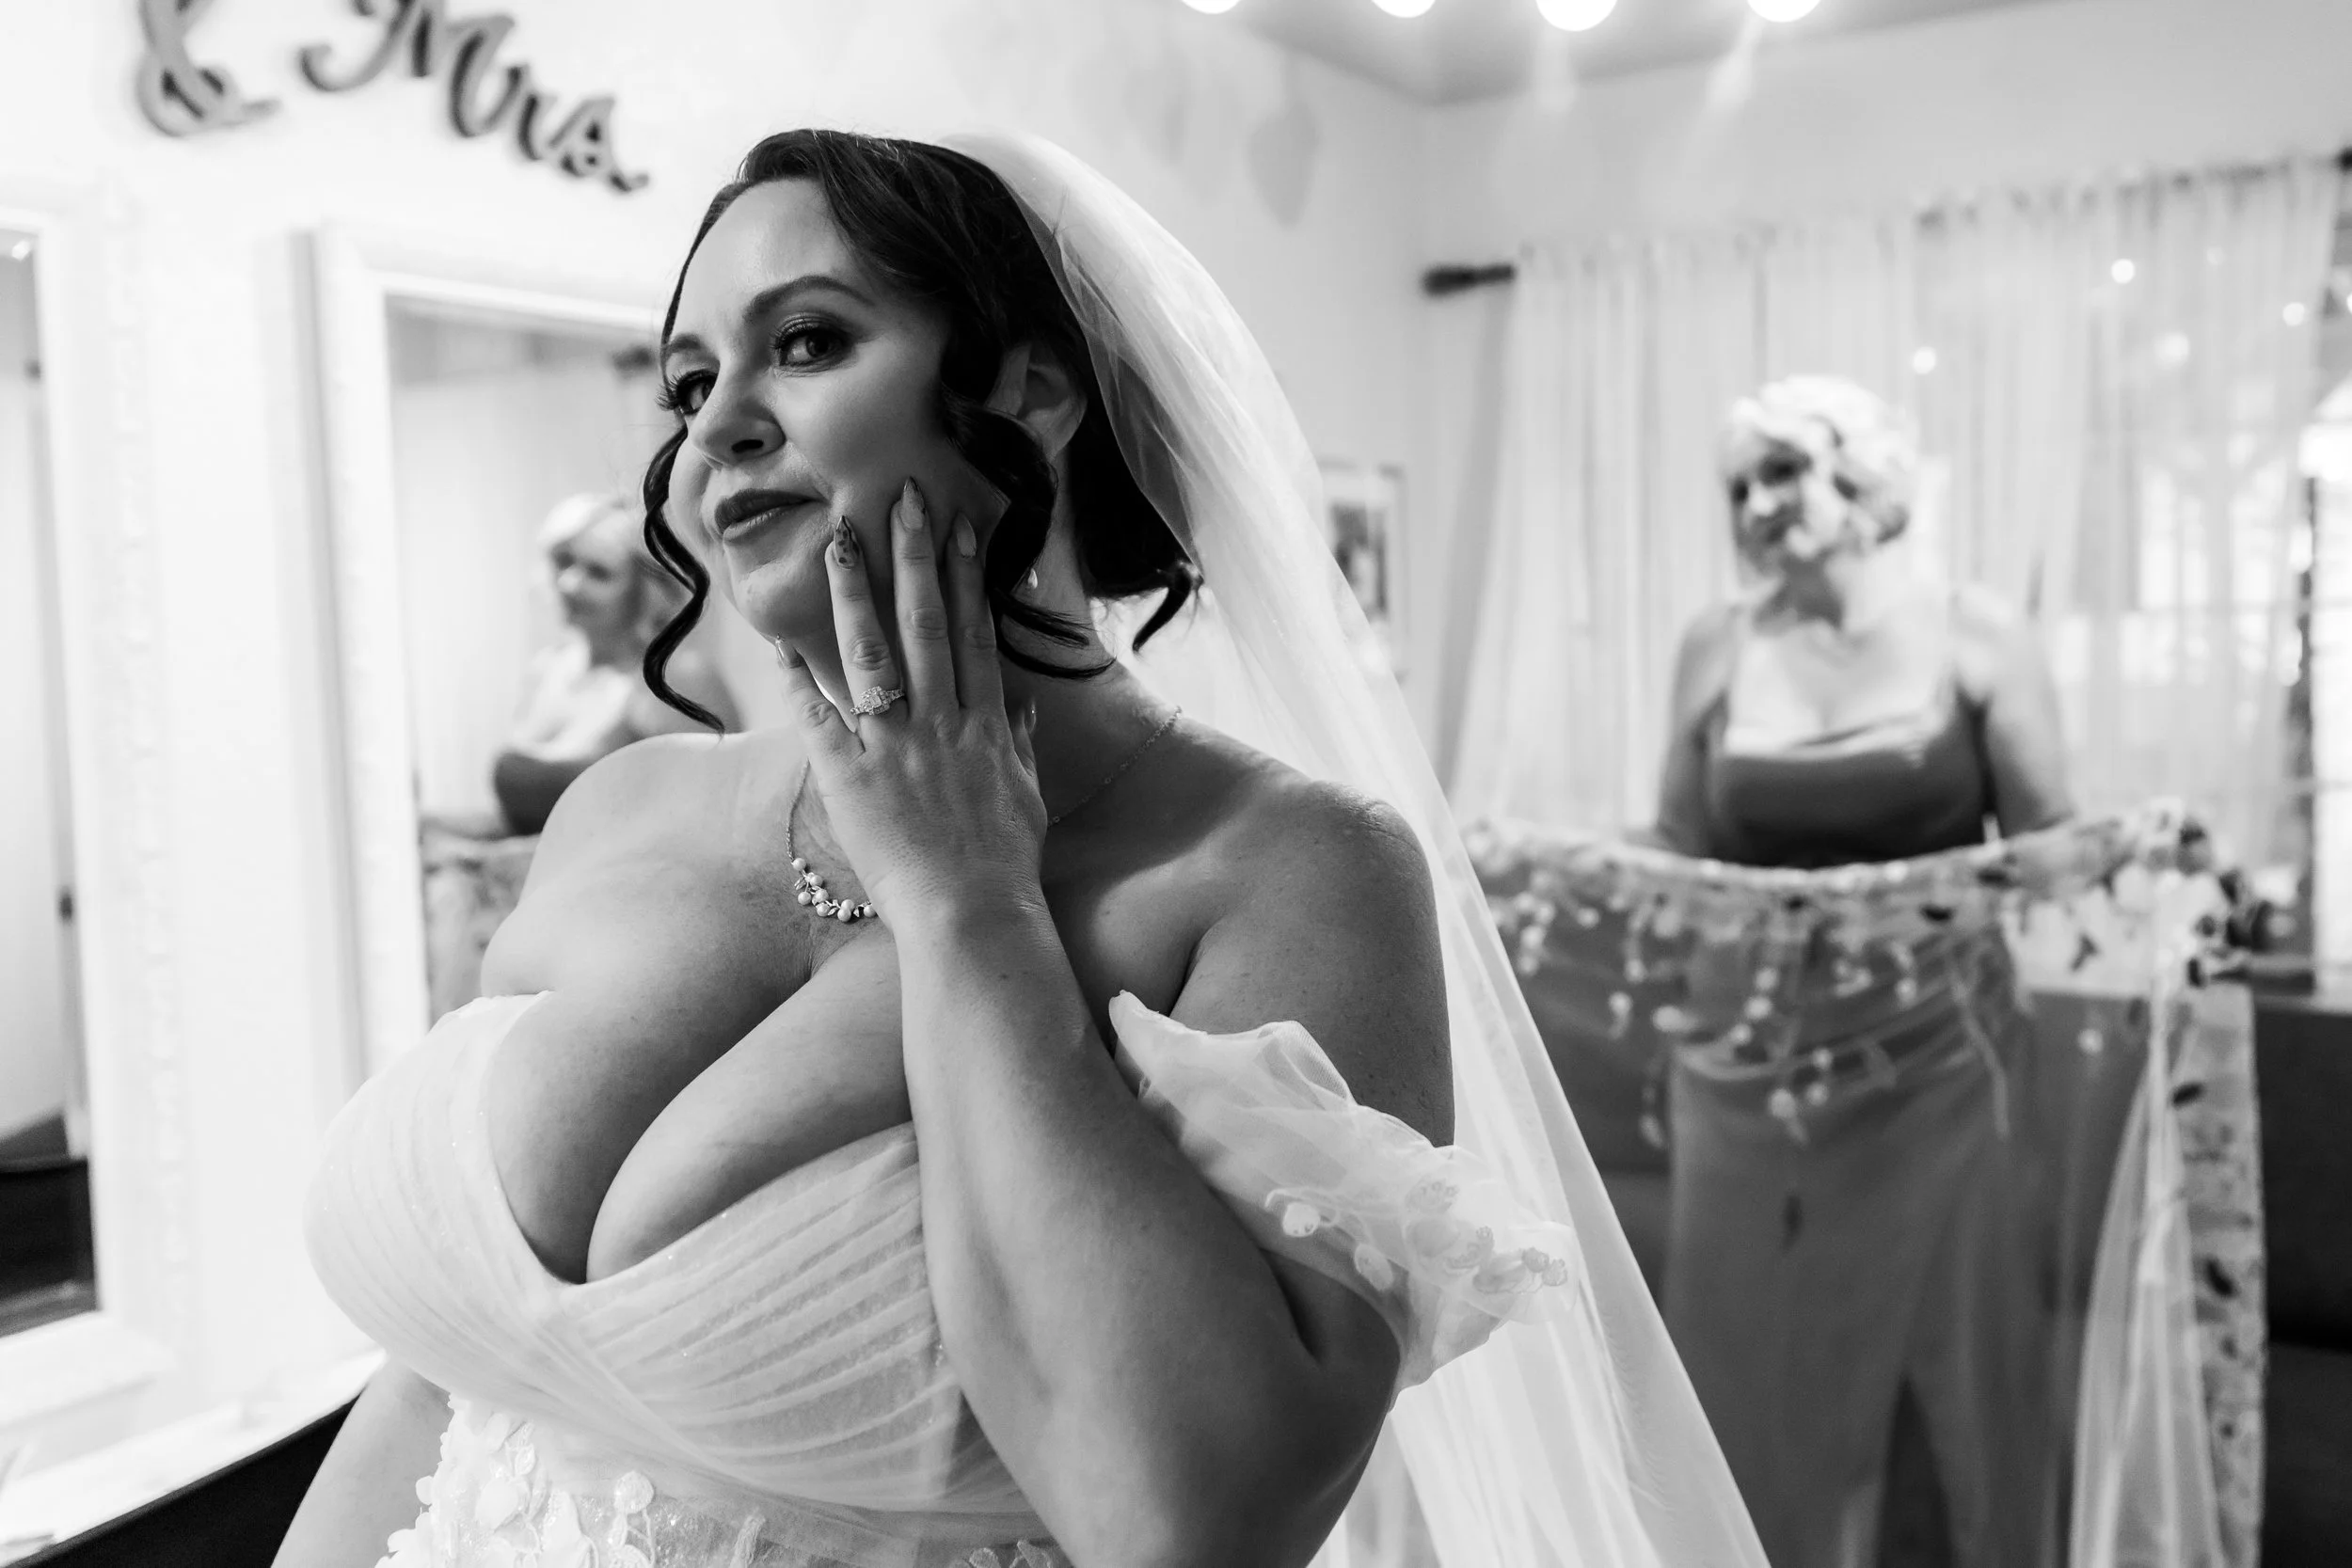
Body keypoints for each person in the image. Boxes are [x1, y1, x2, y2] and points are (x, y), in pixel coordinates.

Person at [280, 131, 1766, 1568]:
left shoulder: (1285, 871)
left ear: (1034, 390)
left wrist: (966, 903)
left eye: (802, 342)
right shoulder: (623, 808)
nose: (718, 418)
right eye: (688, 376)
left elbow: (1194, 1522)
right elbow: (436, 1385)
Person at [1647, 376, 2074, 1568]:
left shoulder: (1978, 630)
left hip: (1941, 1058)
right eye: (1740, 486)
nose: (1758, 505)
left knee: (1952, 1354)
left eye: (1782, 471)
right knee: (1756, 1351)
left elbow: (2048, 852)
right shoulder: (1713, 643)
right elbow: (1680, 847)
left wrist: (1894, 900)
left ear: (1868, 481)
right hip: (1749, 1067)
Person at [491, 492, 740, 836]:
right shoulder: (547, 670)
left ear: (644, 589)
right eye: (564, 562)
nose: (570, 584)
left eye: (599, 573)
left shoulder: (674, 678)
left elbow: (723, 811)